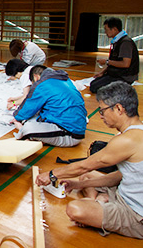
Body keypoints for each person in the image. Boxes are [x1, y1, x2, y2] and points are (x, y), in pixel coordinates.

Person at [36, 81, 143, 239]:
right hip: (125, 192)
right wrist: (78, 184)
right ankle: (98, 203)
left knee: (75, 209)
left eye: (103, 110)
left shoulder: (127, 140)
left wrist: (52, 174)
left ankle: (97, 207)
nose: (101, 115)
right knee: (86, 178)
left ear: (119, 109)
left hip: (136, 214)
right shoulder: (136, 131)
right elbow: (123, 175)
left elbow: (84, 166)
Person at [11, 65, 87, 147]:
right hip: (77, 127)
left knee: (27, 127)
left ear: (36, 77)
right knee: (36, 115)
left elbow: (29, 106)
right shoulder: (64, 80)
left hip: (70, 134)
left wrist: (16, 118)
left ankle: (31, 135)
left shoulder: (42, 84)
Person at [90, 17, 139, 93]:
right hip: (117, 73)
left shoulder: (125, 43)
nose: (105, 32)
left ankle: (124, 88)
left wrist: (106, 61)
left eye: (106, 29)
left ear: (114, 29)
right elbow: (115, 61)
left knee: (95, 87)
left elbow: (125, 64)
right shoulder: (117, 41)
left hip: (125, 76)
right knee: (93, 83)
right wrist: (102, 72)